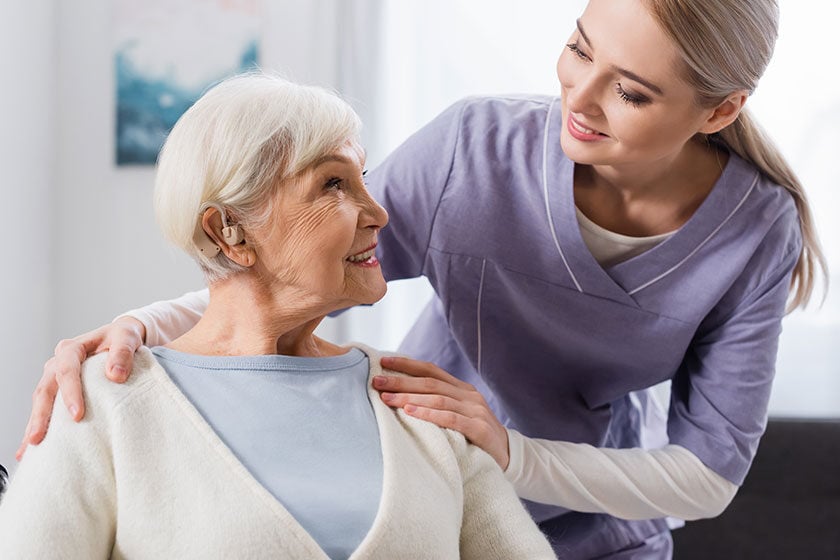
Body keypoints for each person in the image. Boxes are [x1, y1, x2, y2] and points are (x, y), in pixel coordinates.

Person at [18, 0, 827, 558]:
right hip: (427, 502)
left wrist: (509, 452)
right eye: (580, 46)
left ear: (718, 112)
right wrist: (142, 328)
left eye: (631, 90)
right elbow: (291, 267)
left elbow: (707, 474)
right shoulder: (474, 153)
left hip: (597, 530)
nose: (575, 99)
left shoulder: (756, 232)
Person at [0, 73, 556, 559]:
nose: (379, 212)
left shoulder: (419, 403)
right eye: (334, 183)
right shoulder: (101, 403)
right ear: (229, 231)